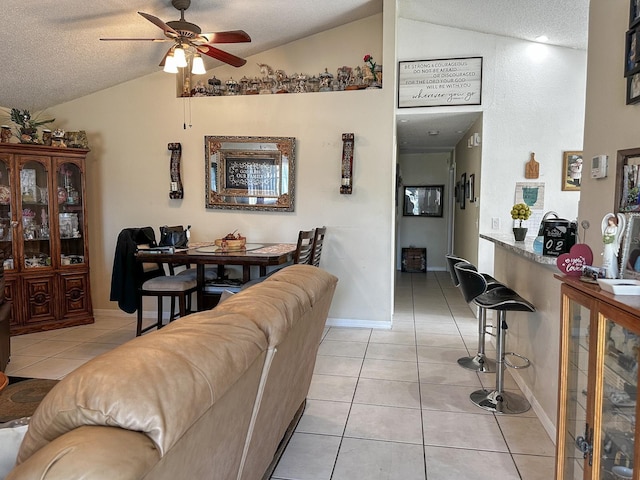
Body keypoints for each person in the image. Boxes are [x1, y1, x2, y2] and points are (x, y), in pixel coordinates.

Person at [602, 213, 626, 278]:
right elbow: (605, 233)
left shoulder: (615, 228)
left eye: (610, 220)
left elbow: (614, 235)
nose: (609, 222)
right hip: (607, 243)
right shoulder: (607, 227)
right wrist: (606, 236)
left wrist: (608, 236)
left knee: (611, 256)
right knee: (606, 255)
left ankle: (611, 273)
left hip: (612, 244)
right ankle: (606, 272)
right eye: (609, 221)